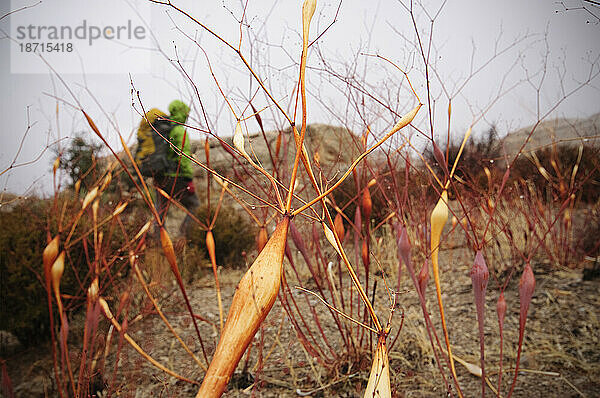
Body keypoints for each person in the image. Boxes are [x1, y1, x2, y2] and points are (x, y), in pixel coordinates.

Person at [150, 100, 199, 236]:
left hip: (160, 176)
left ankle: (158, 244)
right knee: (194, 205)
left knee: (160, 212)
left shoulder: (163, 128)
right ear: (182, 113)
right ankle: (185, 236)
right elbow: (183, 157)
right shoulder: (179, 130)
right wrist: (188, 179)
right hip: (175, 177)